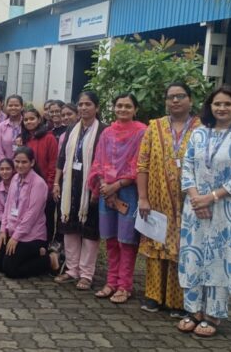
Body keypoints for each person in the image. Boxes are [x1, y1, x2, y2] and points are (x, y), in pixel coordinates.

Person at [176, 85, 231, 339]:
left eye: (227, 104)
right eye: (217, 104)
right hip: (195, 209)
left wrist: (210, 198)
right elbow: (187, 165)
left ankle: (213, 314)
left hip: (226, 211)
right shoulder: (199, 134)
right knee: (194, 257)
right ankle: (193, 311)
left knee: (219, 260)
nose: (221, 108)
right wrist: (195, 199)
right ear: (209, 107)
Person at [137, 82, 201, 317]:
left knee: (182, 248)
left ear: (190, 100)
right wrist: (143, 197)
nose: (175, 101)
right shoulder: (154, 127)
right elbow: (142, 163)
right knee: (155, 244)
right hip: (156, 199)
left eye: (181, 96)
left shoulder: (201, 129)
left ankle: (178, 300)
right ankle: (154, 296)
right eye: (171, 97)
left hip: (188, 202)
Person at [88, 93, 147, 304]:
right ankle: (111, 282)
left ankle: (124, 286)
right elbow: (99, 160)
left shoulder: (142, 132)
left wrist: (117, 184)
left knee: (126, 241)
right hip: (107, 191)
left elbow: (138, 164)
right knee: (111, 239)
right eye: (119, 106)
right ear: (114, 108)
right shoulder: (107, 133)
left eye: (127, 106)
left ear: (135, 109)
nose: (123, 109)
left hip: (128, 191)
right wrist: (104, 183)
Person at [54, 91, 107, 291]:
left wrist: (96, 187)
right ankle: (71, 269)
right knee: (69, 227)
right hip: (70, 185)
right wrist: (57, 183)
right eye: (81, 104)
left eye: (88, 104)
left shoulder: (103, 130)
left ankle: (86, 274)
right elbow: (62, 159)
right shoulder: (71, 130)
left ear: (97, 107)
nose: (83, 108)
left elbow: (103, 162)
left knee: (90, 232)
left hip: (91, 186)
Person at [0, 147, 60, 278]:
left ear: (32, 163)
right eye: (17, 161)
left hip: (31, 235)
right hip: (13, 231)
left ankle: (49, 259)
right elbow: (8, 206)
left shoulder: (39, 184)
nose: (19, 165)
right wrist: (3, 230)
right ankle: (34, 255)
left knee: (10, 270)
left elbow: (32, 215)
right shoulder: (15, 179)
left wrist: (16, 237)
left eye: (24, 162)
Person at [19, 108, 58, 242]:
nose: (29, 122)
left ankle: (45, 246)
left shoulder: (49, 138)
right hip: (27, 185)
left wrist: (50, 186)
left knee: (46, 218)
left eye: (32, 119)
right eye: (26, 120)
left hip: (45, 185)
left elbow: (53, 163)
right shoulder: (25, 139)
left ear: (39, 119)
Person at [0, 95, 23, 163]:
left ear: (22, 107)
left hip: (24, 165)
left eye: (16, 105)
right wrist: (6, 164)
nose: (13, 108)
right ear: (6, 107)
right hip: (6, 168)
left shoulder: (26, 125)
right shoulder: (1, 127)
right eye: (10, 105)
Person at [0, 158, 15, 238]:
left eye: (8, 169)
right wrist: (7, 223)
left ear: (13, 170)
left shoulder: (19, 186)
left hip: (17, 219)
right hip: (3, 220)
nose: (4, 172)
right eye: (2, 169)